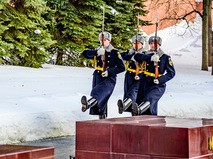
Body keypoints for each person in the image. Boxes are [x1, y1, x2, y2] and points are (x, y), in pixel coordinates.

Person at [81, 31, 125, 119]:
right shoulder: (97, 50)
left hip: (109, 79)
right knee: (102, 99)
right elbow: (84, 54)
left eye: (105, 40)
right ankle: (102, 118)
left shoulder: (114, 52)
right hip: (98, 76)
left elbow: (122, 67)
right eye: (101, 40)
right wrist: (96, 53)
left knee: (100, 93)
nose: (102, 42)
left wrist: (109, 71)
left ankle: (88, 104)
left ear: (109, 41)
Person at [131, 36, 176, 116]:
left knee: (149, 100)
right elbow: (137, 57)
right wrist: (150, 58)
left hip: (157, 85)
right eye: (151, 43)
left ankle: (146, 118)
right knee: (142, 102)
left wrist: (160, 79)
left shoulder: (165, 57)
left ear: (159, 45)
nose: (153, 45)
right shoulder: (145, 54)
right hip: (144, 83)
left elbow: (171, 73)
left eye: (155, 44)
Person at [117, 35, 146, 114]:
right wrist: (131, 57)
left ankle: (125, 104)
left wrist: (138, 57)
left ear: (142, 44)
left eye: (138, 43)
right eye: (134, 43)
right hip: (129, 75)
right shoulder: (130, 52)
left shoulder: (145, 53)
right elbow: (121, 56)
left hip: (140, 75)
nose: (135, 45)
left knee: (133, 91)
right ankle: (130, 109)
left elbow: (145, 58)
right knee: (128, 91)